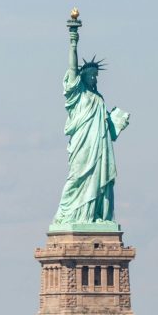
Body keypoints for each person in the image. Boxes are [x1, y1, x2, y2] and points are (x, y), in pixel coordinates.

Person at [52, 21, 128, 226]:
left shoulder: (98, 97)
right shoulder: (77, 95)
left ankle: (95, 216)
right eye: (91, 75)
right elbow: (71, 68)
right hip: (83, 144)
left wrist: (116, 122)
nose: (95, 78)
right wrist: (73, 42)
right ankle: (68, 215)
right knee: (77, 176)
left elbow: (106, 128)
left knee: (99, 179)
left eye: (96, 75)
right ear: (82, 77)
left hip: (100, 145)